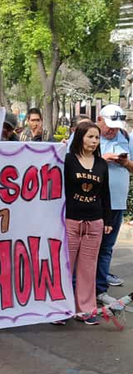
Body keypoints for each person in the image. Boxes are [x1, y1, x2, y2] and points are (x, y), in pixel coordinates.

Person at [60, 120, 110, 325]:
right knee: (65, 267)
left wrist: (106, 220)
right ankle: (60, 310)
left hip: (94, 222)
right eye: (90, 136)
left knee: (88, 269)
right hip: (70, 222)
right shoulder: (68, 160)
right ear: (80, 137)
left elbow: (105, 193)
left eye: (97, 137)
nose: (94, 141)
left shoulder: (101, 164)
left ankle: (86, 310)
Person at [95, 105, 132, 306]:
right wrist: (102, 159)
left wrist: (125, 163)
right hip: (92, 202)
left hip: (116, 203)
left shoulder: (125, 137)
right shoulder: (86, 135)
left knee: (106, 247)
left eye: (116, 128)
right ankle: (79, 288)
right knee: (86, 248)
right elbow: (71, 162)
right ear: (99, 119)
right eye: (109, 127)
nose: (112, 131)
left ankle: (100, 289)